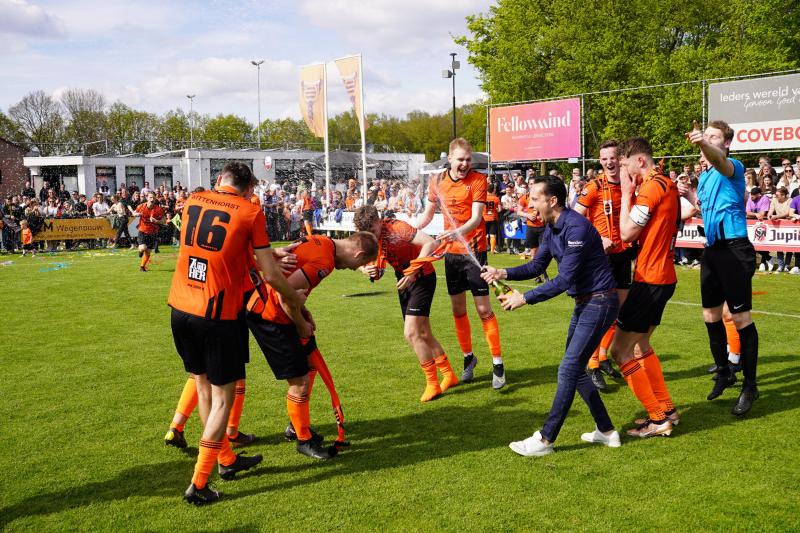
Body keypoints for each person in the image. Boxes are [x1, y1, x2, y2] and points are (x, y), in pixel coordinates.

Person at [168, 162, 310, 505]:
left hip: (180, 307)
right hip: (217, 314)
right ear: (249, 189)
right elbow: (273, 277)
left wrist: (263, 255)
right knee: (222, 399)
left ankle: (226, 459)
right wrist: (296, 304)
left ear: (219, 180)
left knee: (202, 387)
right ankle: (199, 483)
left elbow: (217, 247)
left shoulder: (193, 200)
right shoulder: (250, 211)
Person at [481, 176, 620, 457]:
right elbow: (536, 266)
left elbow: (565, 279)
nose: (529, 203)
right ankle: (606, 431)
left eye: (534, 198)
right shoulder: (550, 228)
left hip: (600, 302)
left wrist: (525, 298)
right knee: (576, 369)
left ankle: (545, 439)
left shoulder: (576, 227)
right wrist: (503, 273)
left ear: (552, 201)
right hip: (586, 303)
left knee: (569, 369)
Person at [246, 232, 377, 460]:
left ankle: (297, 425)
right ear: (359, 253)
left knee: (310, 364)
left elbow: (291, 289)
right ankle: (303, 439)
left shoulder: (322, 240)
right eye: (361, 264)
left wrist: (304, 313)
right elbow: (284, 295)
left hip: (274, 308)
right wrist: (300, 325)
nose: (352, 268)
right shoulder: (325, 262)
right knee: (300, 380)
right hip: (270, 315)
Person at [415, 138, 506, 389]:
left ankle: (497, 363)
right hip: (451, 254)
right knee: (458, 310)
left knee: (484, 310)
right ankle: (469, 359)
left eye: (468, 160)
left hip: (474, 252)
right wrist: (410, 228)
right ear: (450, 160)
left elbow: (477, 219)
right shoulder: (436, 182)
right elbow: (427, 214)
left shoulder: (478, 180)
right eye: (461, 159)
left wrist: (456, 233)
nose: (465, 164)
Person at [687, 120, 760, 415]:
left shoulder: (733, 165)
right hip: (713, 250)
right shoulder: (705, 176)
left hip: (734, 248)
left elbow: (718, 160)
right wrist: (689, 196)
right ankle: (725, 370)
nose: (708, 140)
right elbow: (706, 208)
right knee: (710, 315)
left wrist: (703, 143)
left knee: (741, 318)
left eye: (714, 137)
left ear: (726, 143)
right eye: (707, 136)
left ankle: (750, 385)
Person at [610, 137, 679, 438]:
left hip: (650, 280)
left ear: (640, 161)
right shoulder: (665, 181)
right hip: (662, 278)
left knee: (619, 351)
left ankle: (657, 418)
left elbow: (626, 232)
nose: (625, 175)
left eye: (626, 167)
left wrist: (626, 194)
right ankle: (667, 409)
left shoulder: (651, 187)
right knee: (641, 346)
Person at [354, 205, 458, 402]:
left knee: (411, 333)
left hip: (421, 276)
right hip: (404, 279)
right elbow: (358, 258)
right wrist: (367, 270)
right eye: (367, 233)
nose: (372, 237)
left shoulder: (398, 228)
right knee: (424, 332)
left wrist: (413, 270)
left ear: (379, 221)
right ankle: (449, 375)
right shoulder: (370, 236)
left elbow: (430, 242)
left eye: (373, 231)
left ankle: (432, 383)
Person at [573, 140, 628, 390]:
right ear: (600, 160)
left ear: (620, 158)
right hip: (601, 256)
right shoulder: (593, 187)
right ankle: (593, 364)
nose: (609, 162)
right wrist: (597, 238)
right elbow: (575, 219)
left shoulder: (630, 185)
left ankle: (603, 355)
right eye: (604, 158)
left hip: (624, 253)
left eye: (613, 157)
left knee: (618, 312)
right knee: (602, 311)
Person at [134, 192, 164, 272]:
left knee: (148, 252)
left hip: (153, 232)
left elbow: (163, 221)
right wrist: (137, 214)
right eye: (150, 197)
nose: (152, 199)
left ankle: (142, 267)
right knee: (143, 248)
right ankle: (140, 251)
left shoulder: (158, 209)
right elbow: (134, 213)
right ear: (147, 198)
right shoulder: (141, 206)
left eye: (153, 198)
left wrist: (156, 221)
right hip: (143, 230)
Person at [484, 183, 502, 253]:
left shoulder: (484, 198)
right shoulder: (496, 198)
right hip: (493, 218)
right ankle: (492, 250)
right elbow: (499, 210)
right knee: (493, 234)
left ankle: (484, 249)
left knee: (485, 234)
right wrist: (496, 209)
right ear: (493, 190)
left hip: (485, 218)